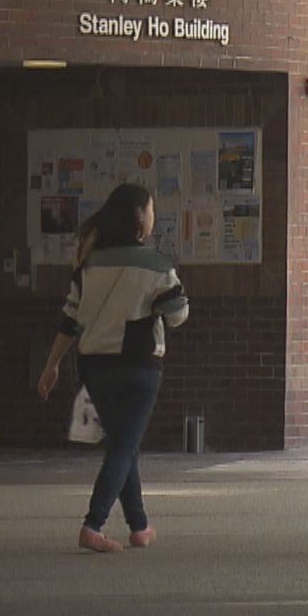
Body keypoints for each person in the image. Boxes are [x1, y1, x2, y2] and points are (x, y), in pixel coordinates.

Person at [34, 183, 190, 553]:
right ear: (139, 216)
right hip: (139, 368)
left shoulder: (89, 265)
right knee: (123, 446)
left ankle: (139, 525)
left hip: (94, 368)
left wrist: (51, 366)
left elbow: (69, 321)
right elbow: (178, 314)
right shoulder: (157, 265)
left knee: (124, 443)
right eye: (151, 209)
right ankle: (94, 524)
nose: (153, 216)